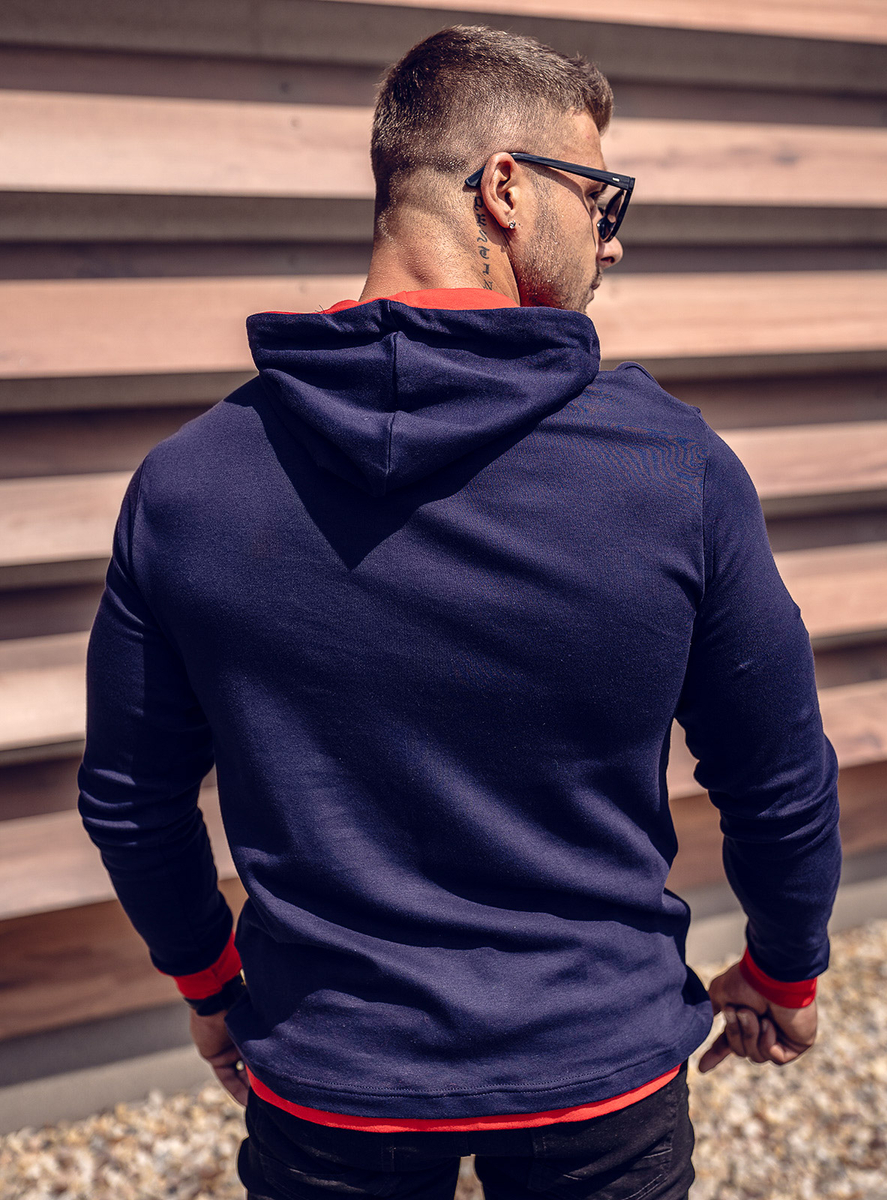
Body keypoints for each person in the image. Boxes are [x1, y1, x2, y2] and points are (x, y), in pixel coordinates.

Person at [78, 24, 841, 1200]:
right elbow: (777, 773)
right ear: (506, 189)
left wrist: (209, 981)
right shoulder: (672, 470)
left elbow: (133, 800)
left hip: (330, 1072)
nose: (613, 237)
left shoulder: (190, 484)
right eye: (601, 196)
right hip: (597, 1067)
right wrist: (784, 971)